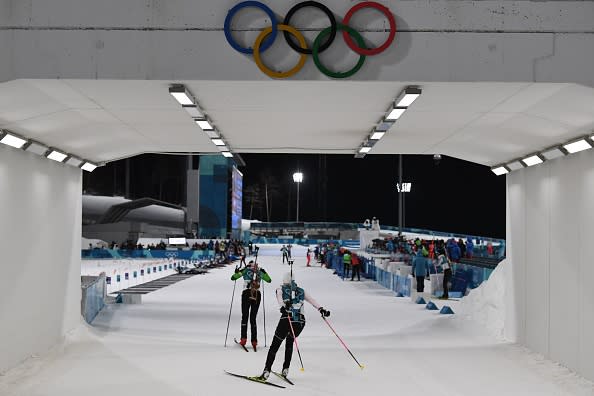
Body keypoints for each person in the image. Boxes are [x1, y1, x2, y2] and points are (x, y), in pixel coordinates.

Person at [260, 272, 330, 380]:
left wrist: (283, 307)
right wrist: (321, 309)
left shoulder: (280, 288)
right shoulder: (301, 291)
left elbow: (279, 298)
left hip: (286, 320)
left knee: (275, 345)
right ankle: (285, 369)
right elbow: (312, 301)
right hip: (300, 322)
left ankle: (266, 370)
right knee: (289, 343)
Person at [230, 260, 271, 350]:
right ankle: (254, 341)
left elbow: (233, 278)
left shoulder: (245, 270)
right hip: (257, 294)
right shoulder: (259, 272)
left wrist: (238, 271)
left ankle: (243, 339)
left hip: (246, 293)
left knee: (245, 316)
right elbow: (269, 280)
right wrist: (264, 272)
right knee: (253, 318)